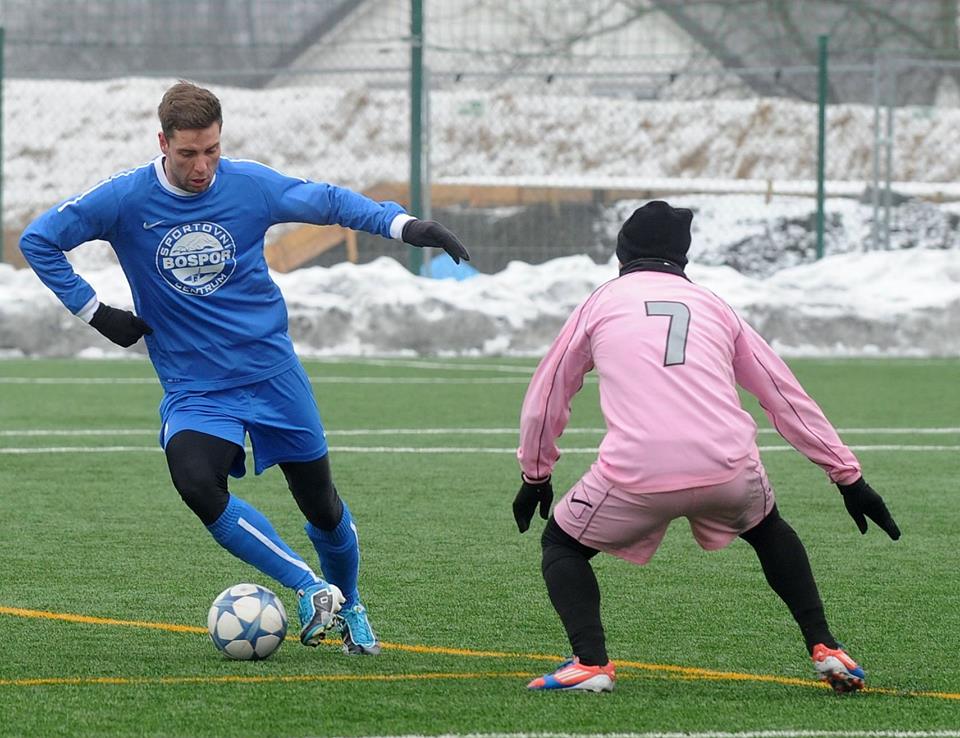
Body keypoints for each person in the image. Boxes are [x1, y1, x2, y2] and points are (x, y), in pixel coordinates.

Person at [21, 80, 471, 656]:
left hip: (272, 373)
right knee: (196, 483)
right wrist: (96, 312)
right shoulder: (125, 200)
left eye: (211, 149)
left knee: (323, 507)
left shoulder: (249, 185)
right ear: (162, 142)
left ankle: (350, 602)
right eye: (188, 153)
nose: (202, 165)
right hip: (196, 387)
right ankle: (309, 587)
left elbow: (328, 201)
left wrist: (406, 226)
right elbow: (40, 240)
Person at [512, 201, 900, 693]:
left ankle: (591, 663)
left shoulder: (601, 302)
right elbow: (783, 396)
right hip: (729, 468)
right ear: (683, 258)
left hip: (638, 473)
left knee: (562, 545)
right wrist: (848, 477)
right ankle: (826, 647)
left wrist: (536, 475)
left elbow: (546, 396)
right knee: (768, 529)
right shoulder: (716, 306)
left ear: (621, 251)